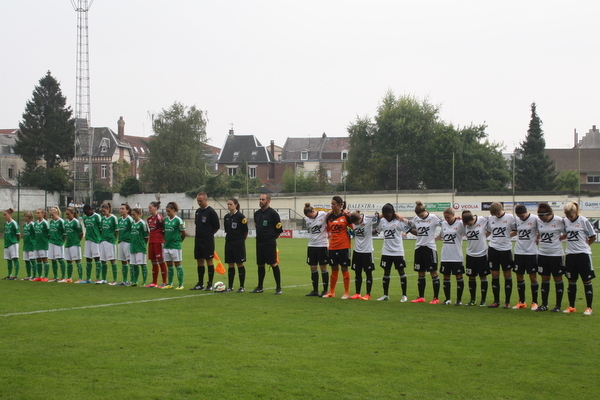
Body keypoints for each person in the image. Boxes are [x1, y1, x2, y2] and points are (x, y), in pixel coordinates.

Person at [562, 202, 595, 315]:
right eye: (567, 215)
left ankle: (589, 307)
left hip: (583, 255)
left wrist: (585, 246)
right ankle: (572, 306)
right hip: (570, 255)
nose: (568, 217)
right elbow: (566, 234)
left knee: (586, 281)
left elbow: (592, 236)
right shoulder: (565, 221)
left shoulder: (584, 221)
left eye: (570, 215)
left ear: (575, 212)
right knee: (571, 281)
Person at [376, 203, 411, 302]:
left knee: (401, 272)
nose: (386, 217)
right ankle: (385, 295)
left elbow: (409, 227)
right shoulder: (382, 221)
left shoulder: (399, 221)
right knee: (386, 272)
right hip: (386, 251)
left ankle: (404, 295)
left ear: (392, 213)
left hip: (398, 252)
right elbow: (376, 231)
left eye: (388, 215)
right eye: (384, 215)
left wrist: (404, 219)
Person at [536, 202, 566, 312]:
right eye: (539, 216)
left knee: (557, 278)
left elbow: (567, 233)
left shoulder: (559, 221)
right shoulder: (539, 221)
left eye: (542, 216)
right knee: (544, 278)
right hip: (543, 254)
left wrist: (559, 239)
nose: (541, 218)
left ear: (548, 213)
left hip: (556, 254)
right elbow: (539, 231)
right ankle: (544, 304)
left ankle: (558, 305)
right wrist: (538, 237)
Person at [409, 201, 441, 304]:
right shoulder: (416, 219)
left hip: (430, 248)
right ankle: (421, 297)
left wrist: (436, 238)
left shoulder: (433, 218)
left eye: (421, 214)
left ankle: (435, 298)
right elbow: (409, 226)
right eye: (418, 215)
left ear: (425, 211)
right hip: (419, 248)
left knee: (433, 272)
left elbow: (445, 224)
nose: (420, 216)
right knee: (420, 272)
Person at [252, 193, 283, 294]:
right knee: (260, 264)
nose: (261, 201)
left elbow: (278, 230)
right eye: (260, 199)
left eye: (263, 199)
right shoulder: (257, 214)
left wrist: (272, 239)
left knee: (273, 263)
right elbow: (257, 226)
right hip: (259, 242)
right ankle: (260, 287)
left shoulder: (273, 214)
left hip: (269, 242)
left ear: (268, 201)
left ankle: (278, 288)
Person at [486, 202, 516, 308]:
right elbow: (489, 232)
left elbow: (516, 230)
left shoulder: (510, 217)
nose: (496, 216)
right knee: (494, 275)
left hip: (505, 250)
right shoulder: (490, 218)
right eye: (494, 214)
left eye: (498, 213)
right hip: (493, 249)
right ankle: (496, 301)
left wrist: (507, 236)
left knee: (507, 275)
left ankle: (507, 302)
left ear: (501, 210)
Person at [323, 196, 352, 299]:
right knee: (334, 268)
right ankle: (332, 292)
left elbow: (353, 227)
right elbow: (327, 229)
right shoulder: (329, 217)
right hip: (332, 246)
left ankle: (346, 292)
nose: (332, 206)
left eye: (334, 204)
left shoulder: (346, 216)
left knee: (344, 268)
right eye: (331, 204)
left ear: (340, 205)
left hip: (344, 246)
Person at [512, 204, 540, 310]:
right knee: (519, 276)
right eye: (519, 216)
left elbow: (542, 229)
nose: (521, 218)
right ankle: (522, 302)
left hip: (531, 253)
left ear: (526, 212)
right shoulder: (516, 220)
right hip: (519, 252)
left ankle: (535, 302)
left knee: (533, 277)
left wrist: (538, 237)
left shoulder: (535, 219)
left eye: (522, 216)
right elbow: (515, 231)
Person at [190, 193, 220, 291]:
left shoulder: (211, 212)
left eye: (201, 200)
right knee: (199, 260)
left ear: (206, 200)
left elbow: (216, 227)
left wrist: (208, 234)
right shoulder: (198, 212)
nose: (199, 202)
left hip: (207, 240)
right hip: (198, 240)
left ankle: (210, 284)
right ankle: (200, 283)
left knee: (209, 260)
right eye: (198, 200)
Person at [437, 207, 465, 306]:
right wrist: (430, 240)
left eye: (448, 217)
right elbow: (440, 236)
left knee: (459, 277)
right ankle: (447, 299)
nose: (447, 219)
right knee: (446, 277)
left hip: (456, 255)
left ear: (453, 215)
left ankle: (459, 300)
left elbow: (468, 231)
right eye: (445, 217)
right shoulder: (444, 224)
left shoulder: (460, 224)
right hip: (445, 256)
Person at [462, 210, 490, 306]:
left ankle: (483, 300)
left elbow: (492, 224)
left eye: (468, 223)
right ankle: (472, 300)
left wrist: (484, 237)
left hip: (482, 254)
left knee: (483, 276)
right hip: (470, 254)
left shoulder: (482, 220)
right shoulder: (465, 224)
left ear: (472, 219)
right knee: (471, 277)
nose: (467, 225)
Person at [348, 210, 379, 300]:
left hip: (367, 251)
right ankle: (357, 293)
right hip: (357, 251)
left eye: (356, 222)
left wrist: (377, 214)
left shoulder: (368, 219)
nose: (355, 224)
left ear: (360, 218)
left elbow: (379, 217)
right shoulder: (353, 222)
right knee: (357, 273)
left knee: (368, 273)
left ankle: (368, 294)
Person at [303, 202, 329, 297]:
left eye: (310, 215)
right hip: (312, 245)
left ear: (313, 211)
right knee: (313, 267)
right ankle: (315, 290)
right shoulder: (307, 219)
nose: (310, 218)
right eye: (308, 216)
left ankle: (325, 290)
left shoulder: (323, 214)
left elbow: (332, 213)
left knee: (323, 267)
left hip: (322, 245)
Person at [224, 198, 248, 292]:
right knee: (230, 264)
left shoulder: (241, 217)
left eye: (231, 204)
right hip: (229, 242)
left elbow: (245, 231)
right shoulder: (226, 217)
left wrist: (241, 241)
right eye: (228, 204)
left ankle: (242, 286)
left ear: (236, 205)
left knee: (239, 263)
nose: (229, 206)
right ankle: (230, 286)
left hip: (238, 243)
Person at [162, 201, 186, 290]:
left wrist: (179, 241)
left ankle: (181, 284)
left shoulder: (178, 220)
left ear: (173, 210)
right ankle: (170, 283)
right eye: (166, 211)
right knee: (169, 266)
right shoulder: (165, 220)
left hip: (175, 246)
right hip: (167, 246)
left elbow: (183, 233)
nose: (167, 213)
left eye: (169, 211)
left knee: (178, 265)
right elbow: (164, 232)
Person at [146, 201, 168, 288]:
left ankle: (164, 282)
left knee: (161, 261)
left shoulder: (159, 218)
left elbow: (164, 229)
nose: (149, 209)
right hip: (151, 241)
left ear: (155, 208)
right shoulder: (149, 219)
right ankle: (154, 282)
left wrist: (163, 239)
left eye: (150, 207)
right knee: (153, 261)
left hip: (158, 242)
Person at [98, 202, 119, 285]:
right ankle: (104, 279)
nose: (103, 213)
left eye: (104, 211)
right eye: (102, 211)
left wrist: (114, 239)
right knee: (103, 260)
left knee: (112, 260)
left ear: (108, 209)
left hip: (110, 241)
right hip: (102, 241)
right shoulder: (102, 219)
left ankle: (114, 280)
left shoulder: (113, 218)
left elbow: (116, 231)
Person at [82, 204, 102, 284]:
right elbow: (87, 227)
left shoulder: (97, 216)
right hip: (88, 239)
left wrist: (99, 238)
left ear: (91, 210)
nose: (86, 214)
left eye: (87, 212)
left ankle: (97, 278)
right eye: (84, 213)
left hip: (96, 240)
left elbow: (101, 228)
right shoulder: (85, 218)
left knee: (97, 258)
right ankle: (88, 278)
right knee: (88, 258)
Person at [129, 208, 149, 287]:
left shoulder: (143, 224)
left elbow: (146, 236)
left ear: (139, 214)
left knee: (143, 264)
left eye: (134, 214)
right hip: (133, 246)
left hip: (140, 247)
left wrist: (143, 245)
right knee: (134, 265)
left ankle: (144, 281)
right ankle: (135, 281)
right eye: (132, 214)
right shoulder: (132, 223)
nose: (132, 216)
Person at [64, 206, 83, 283]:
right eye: (66, 214)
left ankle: (80, 278)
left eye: (68, 214)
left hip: (75, 244)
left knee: (77, 261)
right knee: (69, 261)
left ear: (72, 213)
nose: (67, 216)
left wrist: (77, 241)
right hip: (68, 244)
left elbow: (81, 233)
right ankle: (69, 278)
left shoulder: (76, 222)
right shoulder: (65, 222)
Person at [48, 207, 67, 282]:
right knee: (53, 260)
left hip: (58, 242)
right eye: (50, 215)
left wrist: (62, 241)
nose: (51, 216)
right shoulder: (52, 222)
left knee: (60, 259)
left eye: (52, 215)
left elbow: (64, 234)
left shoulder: (61, 222)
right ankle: (55, 276)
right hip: (51, 242)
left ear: (56, 213)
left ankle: (63, 277)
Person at [117, 204, 134, 286]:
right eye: (120, 209)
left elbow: (133, 230)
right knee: (123, 261)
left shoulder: (130, 219)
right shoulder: (119, 220)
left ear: (127, 210)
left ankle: (132, 280)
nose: (120, 210)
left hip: (128, 242)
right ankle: (124, 280)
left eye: (122, 209)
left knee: (130, 261)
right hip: (121, 242)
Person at [32, 208, 50, 282]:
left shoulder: (45, 223)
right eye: (36, 213)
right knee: (38, 260)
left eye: (39, 213)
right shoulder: (35, 223)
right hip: (37, 244)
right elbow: (34, 234)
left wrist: (46, 241)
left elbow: (49, 234)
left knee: (44, 259)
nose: (37, 214)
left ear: (43, 214)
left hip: (43, 244)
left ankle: (46, 277)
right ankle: (39, 276)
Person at [3, 208, 20, 280]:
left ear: (10, 215)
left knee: (15, 259)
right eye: (3, 215)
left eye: (5, 215)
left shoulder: (14, 223)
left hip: (13, 244)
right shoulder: (6, 224)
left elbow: (18, 234)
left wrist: (16, 241)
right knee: (8, 260)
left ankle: (16, 276)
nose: (4, 216)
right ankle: (9, 275)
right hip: (7, 244)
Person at [21, 211, 36, 281]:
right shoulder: (24, 225)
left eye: (26, 216)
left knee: (32, 260)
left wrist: (34, 242)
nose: (24, 217)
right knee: (26, 261)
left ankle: (34, 275)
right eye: (24, 216)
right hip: (26, 244)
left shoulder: (33, 224)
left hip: (31, 245)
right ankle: (28, 275)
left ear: (30, 217)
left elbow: (35, 234)